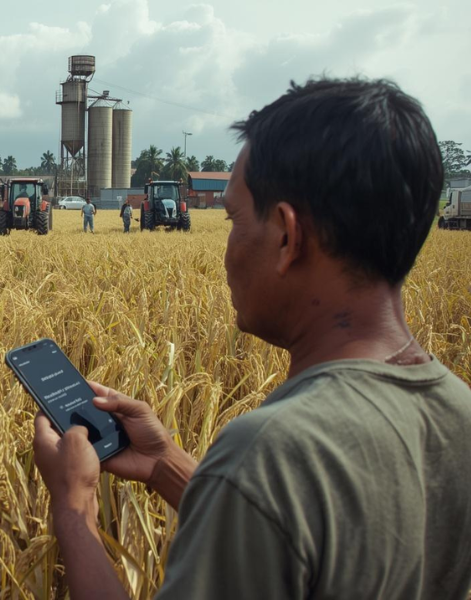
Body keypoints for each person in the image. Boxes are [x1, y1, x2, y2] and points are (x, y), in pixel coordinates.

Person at [32, 77, 471, 599]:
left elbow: (274, 497)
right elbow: (308, 540)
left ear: (287, 237)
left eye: (234, 218)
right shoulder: (457, 413)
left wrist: (75, 509)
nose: (228, 248)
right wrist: (164, 463)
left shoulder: (271, 453)